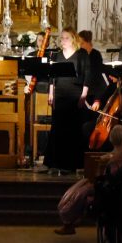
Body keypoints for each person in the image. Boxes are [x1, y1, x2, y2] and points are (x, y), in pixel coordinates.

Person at [44, 27, 94, 174]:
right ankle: (55, 163)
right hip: (60, 94)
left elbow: (87, 75)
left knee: (72, 129)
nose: (62, 41)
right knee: (58, 128)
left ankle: (70, 164)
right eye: (61, 38)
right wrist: (51, 93)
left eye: (66, 38)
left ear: (73, 39)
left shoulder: (81, 54)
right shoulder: (57, 55)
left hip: (75, 94)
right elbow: (52, 77)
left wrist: (83, 95)